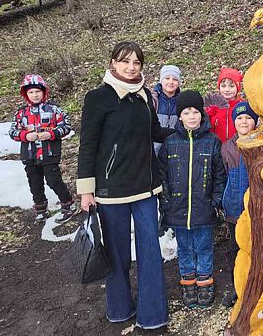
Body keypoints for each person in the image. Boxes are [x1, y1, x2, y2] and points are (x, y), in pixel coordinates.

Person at [77, 41, 172, 329]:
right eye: (125, 62)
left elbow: (154, 131)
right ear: (113, 63)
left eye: (137, 63)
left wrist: (183, 129)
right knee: (116, 255)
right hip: (111, 191)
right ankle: (119, 309)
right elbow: (88, 145)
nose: (131, 68)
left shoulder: (144, 93)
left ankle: (153, 316)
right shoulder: (98, 98)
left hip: (146, 188)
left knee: (150, 254)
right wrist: (86, 190)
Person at [158, 90, 226, 308]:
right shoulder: (170, 143)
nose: (191, 116)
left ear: (202, 114)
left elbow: (219, 174)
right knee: (185, 247)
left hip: (203, 207)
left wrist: (215, 200)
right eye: (186, 112)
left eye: (195, 111)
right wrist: (166, 200)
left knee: (204, 246)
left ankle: (205, 281)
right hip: (178, 209)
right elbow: (163, 174)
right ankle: (188, 281)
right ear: (180, 116)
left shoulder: (212, 141)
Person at [9, 74, 75, 223]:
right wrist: (25, 136)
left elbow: (66, 126)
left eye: (38, 91)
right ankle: (40, 209)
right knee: (34, 182)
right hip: (30, 155)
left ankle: (68, 204)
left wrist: (50, 134)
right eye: (31, 92)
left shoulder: (54, 110)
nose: (35, 95)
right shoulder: (21, 113)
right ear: (25, 94)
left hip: (49, 154)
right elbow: (13, 131)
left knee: (53, 180)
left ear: (44, 91)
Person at [220, 101, 259, 307]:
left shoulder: (262, 144)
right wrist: (222, 199)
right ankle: (238, 286)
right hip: (234, 207)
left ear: (255, 122)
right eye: (240, 118)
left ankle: (256, 286)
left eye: (248, 118)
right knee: (237, 249)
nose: (244, 121)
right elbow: (221, 176)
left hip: (256, 207)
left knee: (257, 247)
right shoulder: (227, 147)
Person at [206, 68, 244, 142]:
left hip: (236, 148)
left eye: (231, 86)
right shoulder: (212, 106)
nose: (227, 89)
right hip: (217, 149)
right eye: (223, 86)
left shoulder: (242, 106)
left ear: (238, 88)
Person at [151, 64, 182, 154]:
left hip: (175, 148)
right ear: (161, 80)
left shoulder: (181, 100)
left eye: (175, 79)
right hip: (154, 149)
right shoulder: (153, 99)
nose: (171, 82)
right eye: (167, 78)